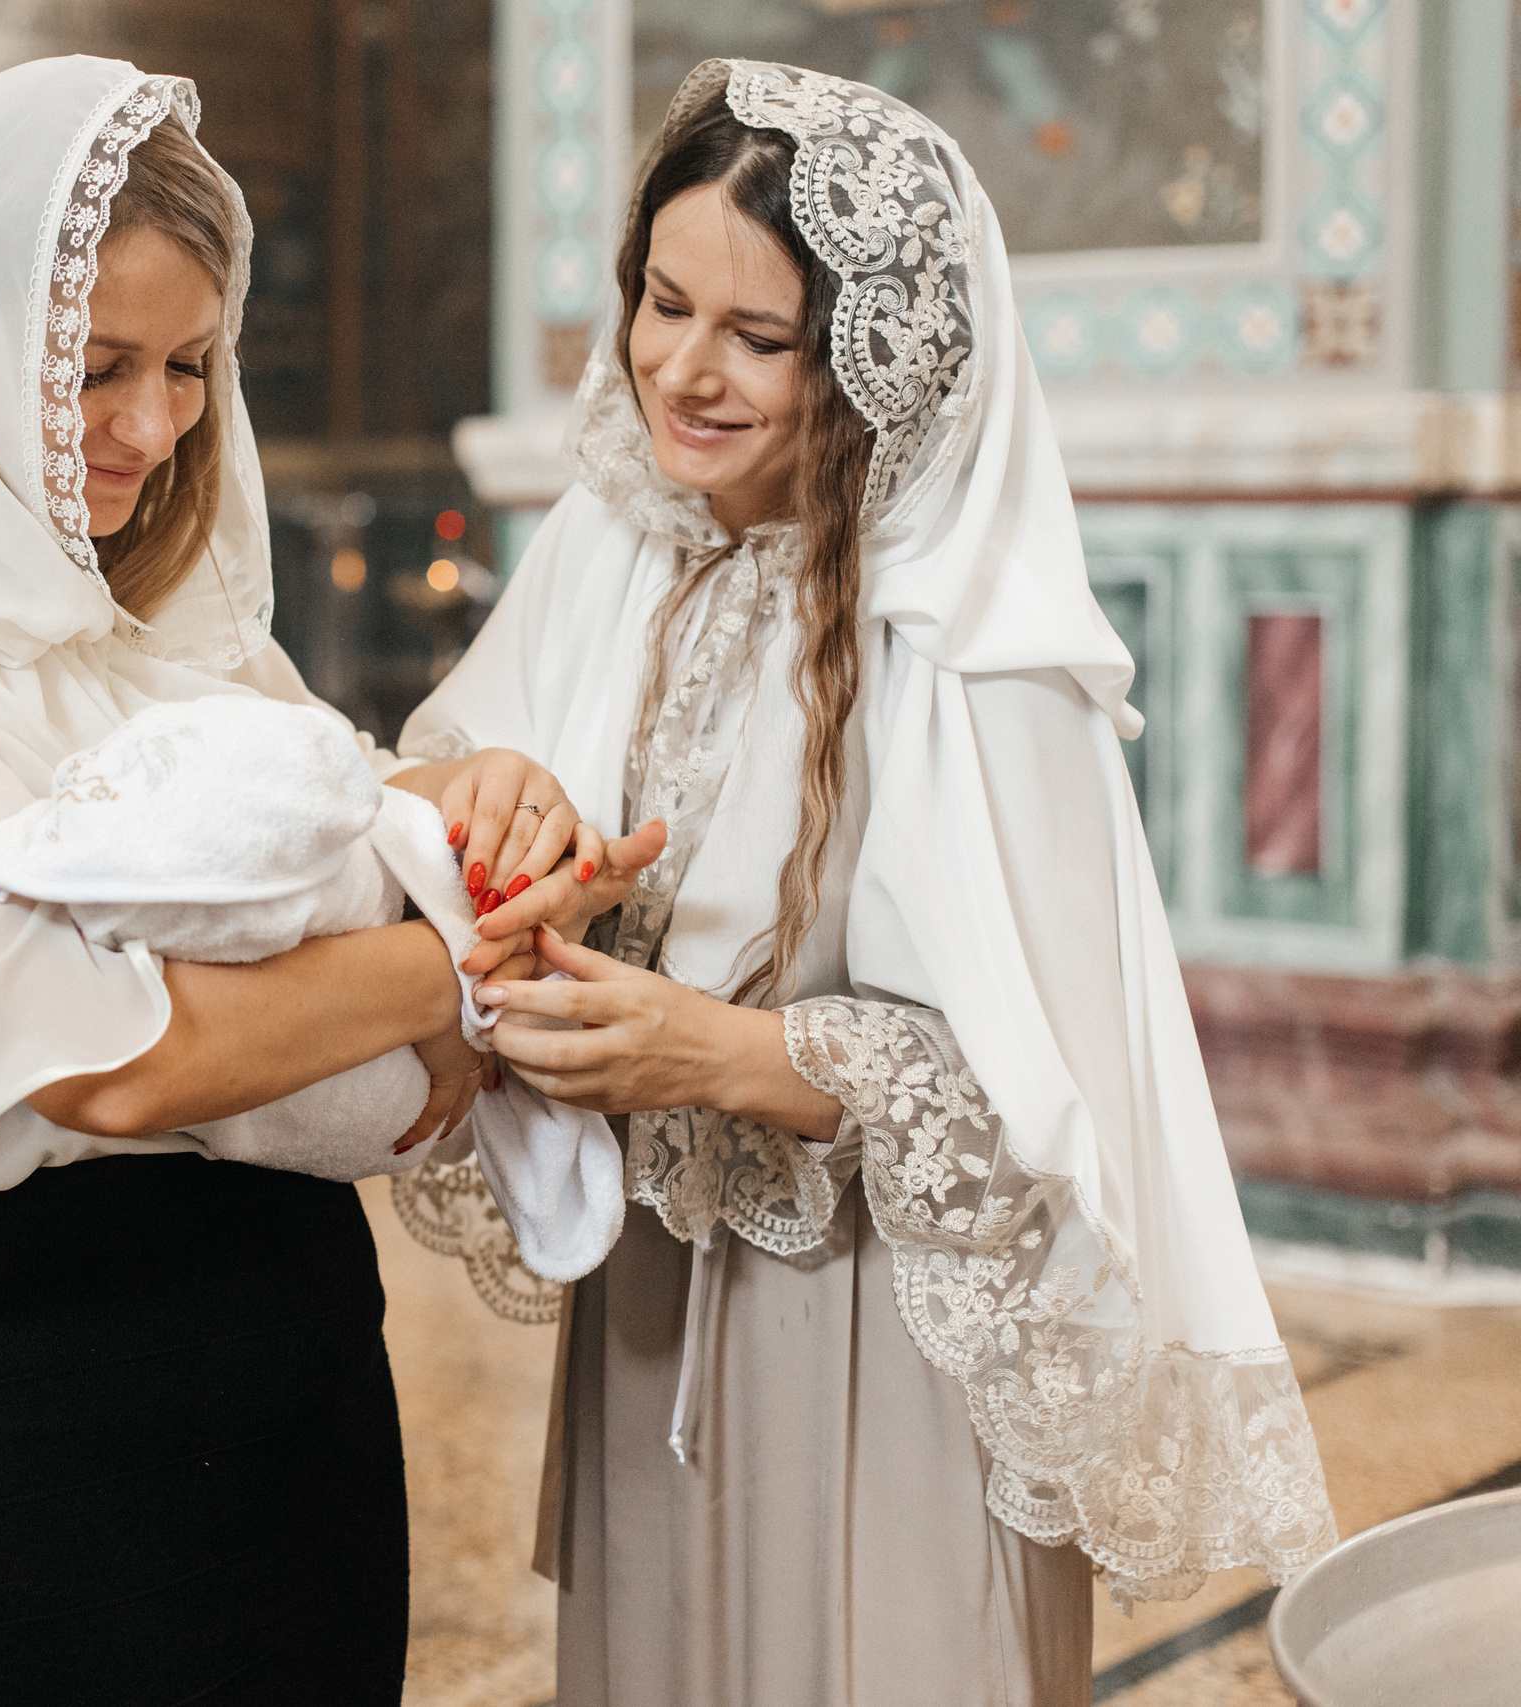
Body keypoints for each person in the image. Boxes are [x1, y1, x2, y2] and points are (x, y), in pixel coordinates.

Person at [0, 56, 592, 1706]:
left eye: (190, 367)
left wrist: (470, 806)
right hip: (33, 1385)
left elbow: (318, 814)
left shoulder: (157, 594)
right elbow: (107, 1056)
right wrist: (456, 970)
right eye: (92, 370)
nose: (150, 429)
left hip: (296, 1333)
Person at [392, 59, 1340, 1705]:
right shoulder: (615, 546)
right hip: (660, 1309)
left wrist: (723, 1055)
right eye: (662, 304)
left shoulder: (980, 653)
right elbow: (442, 772)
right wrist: (491, 794)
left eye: (757, 339)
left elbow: (1057, 1117)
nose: (682, 372)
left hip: (887, 1337)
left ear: (875, 362)